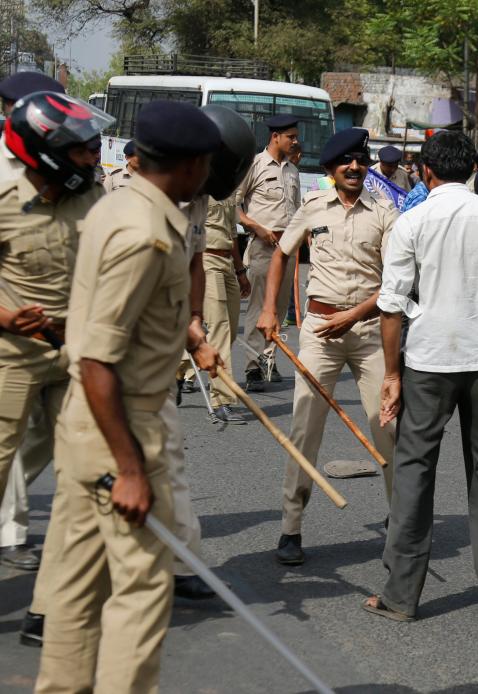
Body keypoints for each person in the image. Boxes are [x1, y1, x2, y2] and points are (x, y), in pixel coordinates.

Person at [34, 100, 222, 692]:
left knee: (76, 590)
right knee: (141, 596)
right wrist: (130, 469)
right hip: (124, 429)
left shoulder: (117, 205)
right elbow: (97, 358)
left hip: (88, 428)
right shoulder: (147, 235)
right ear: (192, 164)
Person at [364, 129, 478, 622]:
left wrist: (392, 374)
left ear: (427, 172)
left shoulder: (411, 221)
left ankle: (400, 596)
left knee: (415, 470)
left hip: (428, 363)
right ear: (473, 169)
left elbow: (391, 308)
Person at [256, 128, 397, 565]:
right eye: (345, 162)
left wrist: (353, 318)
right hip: (318, 330)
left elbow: (395, 281)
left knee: (388, 427)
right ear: (331, 170)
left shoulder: (385, 211)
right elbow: (282, 253)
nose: (354, 168)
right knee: (304, 429)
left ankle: (402, 522)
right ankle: (291, 528)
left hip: (370, 331)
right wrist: (269, 311)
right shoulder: (313, 207)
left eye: (361, 161)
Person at [0, 72, 67, 572]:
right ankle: (13, 528)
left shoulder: (67, 171)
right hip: (9, 337)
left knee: (44, 438)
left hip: (63, 341)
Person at [236, 114, 301, 392]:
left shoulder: (293, 171)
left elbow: (298, 212)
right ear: (276, 137)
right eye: (291, 137)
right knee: (259, 307)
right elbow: (234, 205)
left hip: (288, 248)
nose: (295, 141)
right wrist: (255, 226)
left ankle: (268, 360)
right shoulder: (255, 165)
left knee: (278, 309)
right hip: (263, 247)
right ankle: (252, 366)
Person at [199, 106, 255, 424]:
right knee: (219, 328)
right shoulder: (194, 180)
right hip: (204, 261)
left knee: (231, 329)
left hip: (226, 261)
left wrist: (240, 270)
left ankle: (184, 366)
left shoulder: (227, 180)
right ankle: (222, 399)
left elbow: (232, 231)